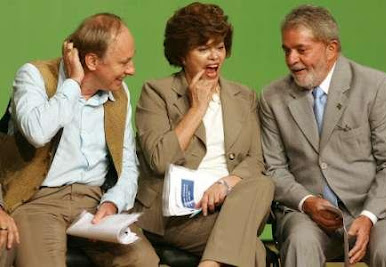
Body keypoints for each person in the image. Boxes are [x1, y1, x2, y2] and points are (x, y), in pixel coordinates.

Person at [0, 13, 159, 267]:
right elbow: (37, 132)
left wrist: (113, 203)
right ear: (93, 61)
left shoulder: (120, 94)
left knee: (144, 260)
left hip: (94, 201)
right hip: (38, 200)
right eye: (124, 62)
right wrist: (73, 83)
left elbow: (128, 165)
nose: (132, 70)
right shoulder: (34, 76)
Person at [133, 2, 274, 267]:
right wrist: (197, 107)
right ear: (182, 55)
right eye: (203, 49)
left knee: (262, 184)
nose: (214, 57)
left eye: (219, 47)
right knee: (252, 249)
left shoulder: (243, 96)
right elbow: (160, 160)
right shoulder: (156, 92)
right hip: (176, 217)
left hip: (230, 205)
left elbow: (256, 161)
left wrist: (224, 184)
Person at [259, 4, 386, 267]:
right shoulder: (272, 97)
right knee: (301, 243)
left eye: (301, 50)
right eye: (286, 50)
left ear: (331, 49)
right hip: (306, 215)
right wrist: (307, 202)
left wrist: (368, 216)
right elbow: (273, 169)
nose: (291, 59)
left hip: (372, 212)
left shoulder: (377, 87)